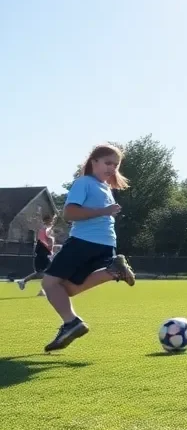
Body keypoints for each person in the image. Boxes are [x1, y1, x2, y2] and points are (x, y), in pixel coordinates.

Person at [40, 144, 136, 351]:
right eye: (108, 163)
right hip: (105, 245)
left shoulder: (88, 184)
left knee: (48, 284)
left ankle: (71, 323)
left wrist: (103, 211)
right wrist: (104, 211)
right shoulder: (95, 185)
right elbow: (73, 213)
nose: (112, 168)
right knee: (67, 289)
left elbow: (69, 214)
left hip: (84, 242)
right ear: (94, 162)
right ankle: (113, 271)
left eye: (116, 165)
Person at [16, 215, 56, 294]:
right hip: (43, 256)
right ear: (47, 222)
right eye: (50, 222)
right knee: (48, 274)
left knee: (42, 274)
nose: (51, 224)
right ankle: (42, 290)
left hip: (43, 256)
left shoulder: (45, 233)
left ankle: (23, 281)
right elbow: (46, 233)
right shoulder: (44, 232)